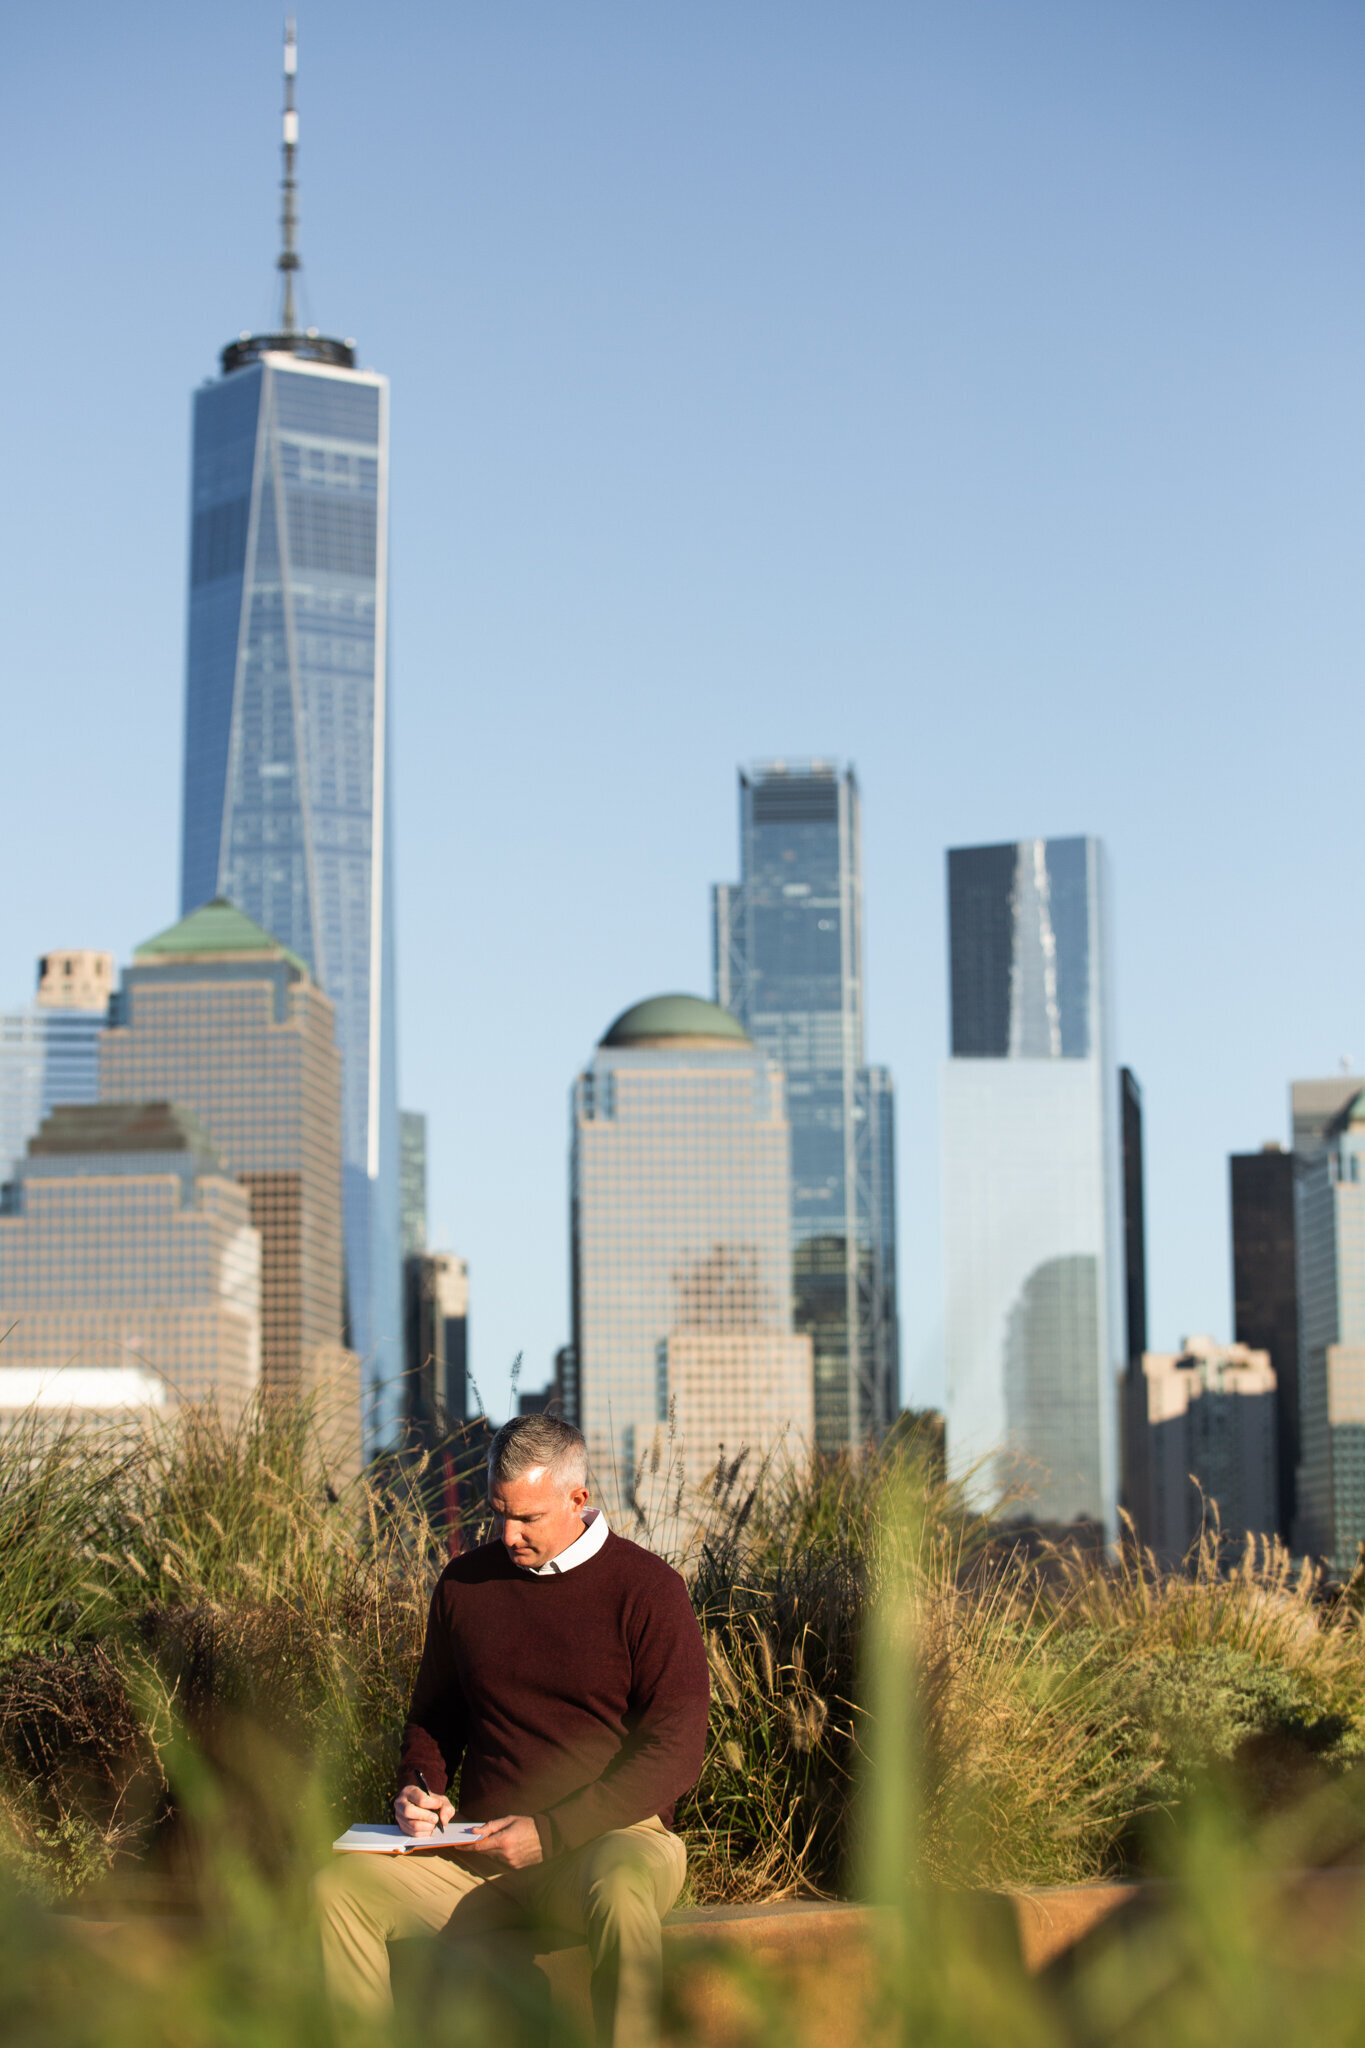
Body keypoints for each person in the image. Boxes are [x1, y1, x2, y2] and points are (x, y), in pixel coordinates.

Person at [316, 1413, 710, 2048]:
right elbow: (433, 1721)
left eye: (527, 1518)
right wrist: (418, 1789)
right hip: (481, 1853)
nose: (508, 1534)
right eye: (498, 1513)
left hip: (609, 1841)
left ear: (578, 1499)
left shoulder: (649, 1590)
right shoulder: (465, 1587)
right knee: (339, 1889)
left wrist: (552, 1833)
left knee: (623, 1892)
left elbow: (676, 1750)